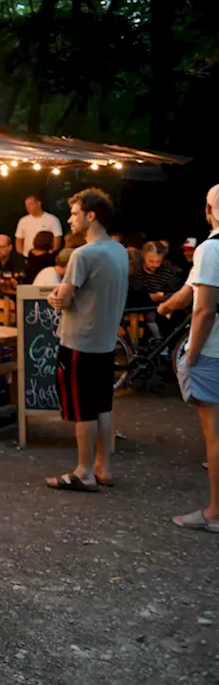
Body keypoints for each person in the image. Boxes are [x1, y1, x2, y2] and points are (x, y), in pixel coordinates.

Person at [44, 188, 128, 492]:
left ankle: (83, 471)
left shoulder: (83, 254)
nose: (70, 219)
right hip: (106, 339)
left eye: (75, 213)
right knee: (102, 405)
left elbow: (63, 298)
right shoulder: (119, 250)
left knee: (83, 409)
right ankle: (104, 467)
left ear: (90, 216)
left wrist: (56, 296)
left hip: (79, 340)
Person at [161, 185, 219, 532]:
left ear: (210, 209)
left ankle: (215, 512)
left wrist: (190, 356)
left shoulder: (211, 249)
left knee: (215, 436)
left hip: (213, 352)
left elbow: (204, 310)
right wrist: (169, 304)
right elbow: (191, 290)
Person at [140, 241, 184, 306]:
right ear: (143, 256)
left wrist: (163, 296)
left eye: (158, 261)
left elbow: (178, 293)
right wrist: (149, 297)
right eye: (151, 261)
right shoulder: (136, 270)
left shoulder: (168, 272)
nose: (155, 265)